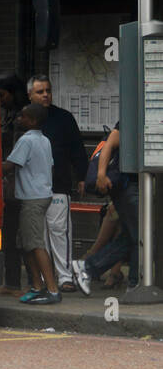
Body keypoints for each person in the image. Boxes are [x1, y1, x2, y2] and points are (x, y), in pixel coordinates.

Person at [28, 75, 89, 295]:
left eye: (48, 90)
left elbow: (77, 150)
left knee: (59, 231)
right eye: (40, 91)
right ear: (30, 95)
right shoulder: (23, 119)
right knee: (39, 235)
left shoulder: (64, 118)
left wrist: (82, 176)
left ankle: (64, 277)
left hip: (58, 185)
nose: (45, 95)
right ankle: (46, 278)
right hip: (31, 188)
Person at [3, 103, 59, 304]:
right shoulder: (45, 140)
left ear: (33, 121)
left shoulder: (26, 140)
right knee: (25, 243)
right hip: (41, 195)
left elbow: (9, 166)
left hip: (32, 199)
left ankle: (52, 290)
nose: (19, 119)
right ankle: (37, 286)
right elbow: (50, 167)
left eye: (23, 117)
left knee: (35, 244)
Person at [73, 121, 139, 290]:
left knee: (131, 237)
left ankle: (87, 268)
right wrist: (101, 175)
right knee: (139, 237)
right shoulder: (133, 113)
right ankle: (135, 283)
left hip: (134, 187)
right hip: (128, 186)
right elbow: (110, 143)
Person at [0, 73, 25, 290]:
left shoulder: (21, 120)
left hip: (15, 185)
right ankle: (11, 281)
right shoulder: (9, 116)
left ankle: (14, 282)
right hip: (9, 183)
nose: (0, 99)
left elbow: (16, 156)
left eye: (3, 95)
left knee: (13, 234)